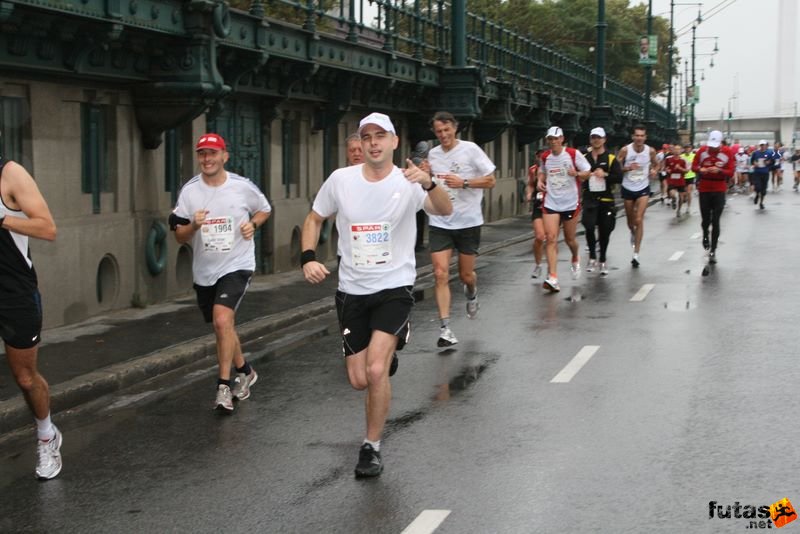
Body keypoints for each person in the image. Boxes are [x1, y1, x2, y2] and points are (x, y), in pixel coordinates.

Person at [300, 112, 451, 478]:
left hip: (394, 287)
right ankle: (390, 346)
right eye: (366, 136)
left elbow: (445, 209)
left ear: (394, 142)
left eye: (380, 136)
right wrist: (307, 259)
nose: (373, 142)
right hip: (352, 289)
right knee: (358, 379)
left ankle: (371, 447)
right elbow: (314, 218)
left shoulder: (410, 180)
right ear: (360, 144)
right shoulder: (341, 180)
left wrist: (429, 183)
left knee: (377, 368)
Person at [170, 133, 271, 412]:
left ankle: (223, 387)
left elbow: (264, 209)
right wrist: (193, 226)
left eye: (212, 153)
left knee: (221, 318)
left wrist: (253, 224)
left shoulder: (240, 186)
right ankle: (246, 371)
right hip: (205, 270)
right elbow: (179, 236)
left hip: (237, 264)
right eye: (202, 154)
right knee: (222, 325)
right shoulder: (190, 191)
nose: (207, 159)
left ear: (224, 156)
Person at [0, 154, 59, 479]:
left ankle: (47, 435)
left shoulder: (10, 174)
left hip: (14, 294)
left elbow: (48, 228)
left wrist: (3, 220)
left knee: (25, 378)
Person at [426, 111, 496, 346]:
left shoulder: (471, 149)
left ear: (455, 128)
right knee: (439, 273)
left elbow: (491, 180)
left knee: (466, 275)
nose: (443, 135)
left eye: (447, 130)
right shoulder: (433, 155)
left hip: (468, 222)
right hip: (440, 222)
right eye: (439, 132)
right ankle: (445, 328)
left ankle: (472, 291)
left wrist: (464, 182)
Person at [537, 126, 591, 291]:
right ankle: (553, 277)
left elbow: (587, 172)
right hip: (551, 202)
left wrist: (577, 174)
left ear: (562, 139)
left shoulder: (573, 154)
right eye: (550, 139)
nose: (553, 142)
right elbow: (542, 171)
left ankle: (575, 256)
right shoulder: (545, 156)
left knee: (570, 239)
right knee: (551, 238)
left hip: (570, 202)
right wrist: (540, 181)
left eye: (556, 139)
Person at [581, 127, 622, 276]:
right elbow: (578, 174)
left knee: (605, 231)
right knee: (589, 225)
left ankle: (602, 259)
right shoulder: (584, 157)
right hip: (589, 198)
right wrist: (584, 175)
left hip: (606, 199)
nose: (596, 140)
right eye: (593, 137)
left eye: (598, 137)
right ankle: (592, 256)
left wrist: (604, 174)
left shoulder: (610, 158)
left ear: (604, 139)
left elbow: (619, 177)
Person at [617, 125, 658, 268]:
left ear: (645, 137)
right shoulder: (625, 150)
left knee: (639, 219)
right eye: (637, 135)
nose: (639, 138)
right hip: (628, 187)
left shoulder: (650, 151)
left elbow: (657, 164)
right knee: (630, 222)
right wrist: (628, 168)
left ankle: (636, 253)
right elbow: (617, 168)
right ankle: (632, 233)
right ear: (633, 137)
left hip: (643, 188)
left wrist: (654, 170)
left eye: (642, 136)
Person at [692, 130, 734, 263]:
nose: (712, 148)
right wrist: (701, 170)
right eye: (711, 145)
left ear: (720, 143)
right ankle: (705, 234)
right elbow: (693, 166)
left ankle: (713, 250)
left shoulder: (727, 152)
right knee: (706, 219)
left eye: (715, 146)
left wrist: (720, 170)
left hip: (719, 188)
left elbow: (731, 171)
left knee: (716, 220)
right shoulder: (702, 151)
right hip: (704, 188)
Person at [525, 149, 546, 279]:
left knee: (551, 238)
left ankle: (552, 271)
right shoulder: (533, 170)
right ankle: (538, 265)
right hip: (538, 205)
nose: (541, 159)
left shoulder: (555, 167)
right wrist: (529, 192)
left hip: (553, 206)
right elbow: (531, 184)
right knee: (539, 237)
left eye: (543, 157)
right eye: (539, 157)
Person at [410, 141, 433, 252]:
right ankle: (418, 243)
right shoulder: (420, 161)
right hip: (420, 192)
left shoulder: (412, 158)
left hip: (417, 192)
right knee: (419, 221)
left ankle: (417, 243)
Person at [664, 144, 688, 216]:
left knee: (681, 197)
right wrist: (666, 170)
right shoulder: (668, 159)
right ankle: (673, 199)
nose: (677, 151)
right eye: (676, 149)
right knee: (672, 193)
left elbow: (686, 170)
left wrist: (680, 168)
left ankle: (679, 210)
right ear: (673, 150)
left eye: (678, 149)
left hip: (680, 180)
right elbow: (665, 168)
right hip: (671, 179)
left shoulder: (683, 160)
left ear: (681, 151)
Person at [750, 140, 774, 210]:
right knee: (758, 187)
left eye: (764, 145)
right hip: (757, 173)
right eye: (761, 145)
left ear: (766, 145)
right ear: (759, 146)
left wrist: (768, 162)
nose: (762, 146)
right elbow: (752, 161)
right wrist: (754, 163)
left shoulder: (769, 153)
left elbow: (773, 161)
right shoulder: (755, 153)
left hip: (765, 173)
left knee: (763, 190)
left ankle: (761, 203)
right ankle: (757, 194)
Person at [680, 144, 696, 213]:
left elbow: (697, 165)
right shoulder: (681, 156)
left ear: (691, 149)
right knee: (683, 194)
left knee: (689, 192)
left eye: (688, 148)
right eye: (686, 148)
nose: (687, 149)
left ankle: (688, 207)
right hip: (683, 176)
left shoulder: (694, 156)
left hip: (691, 176)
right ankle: (683, 199)